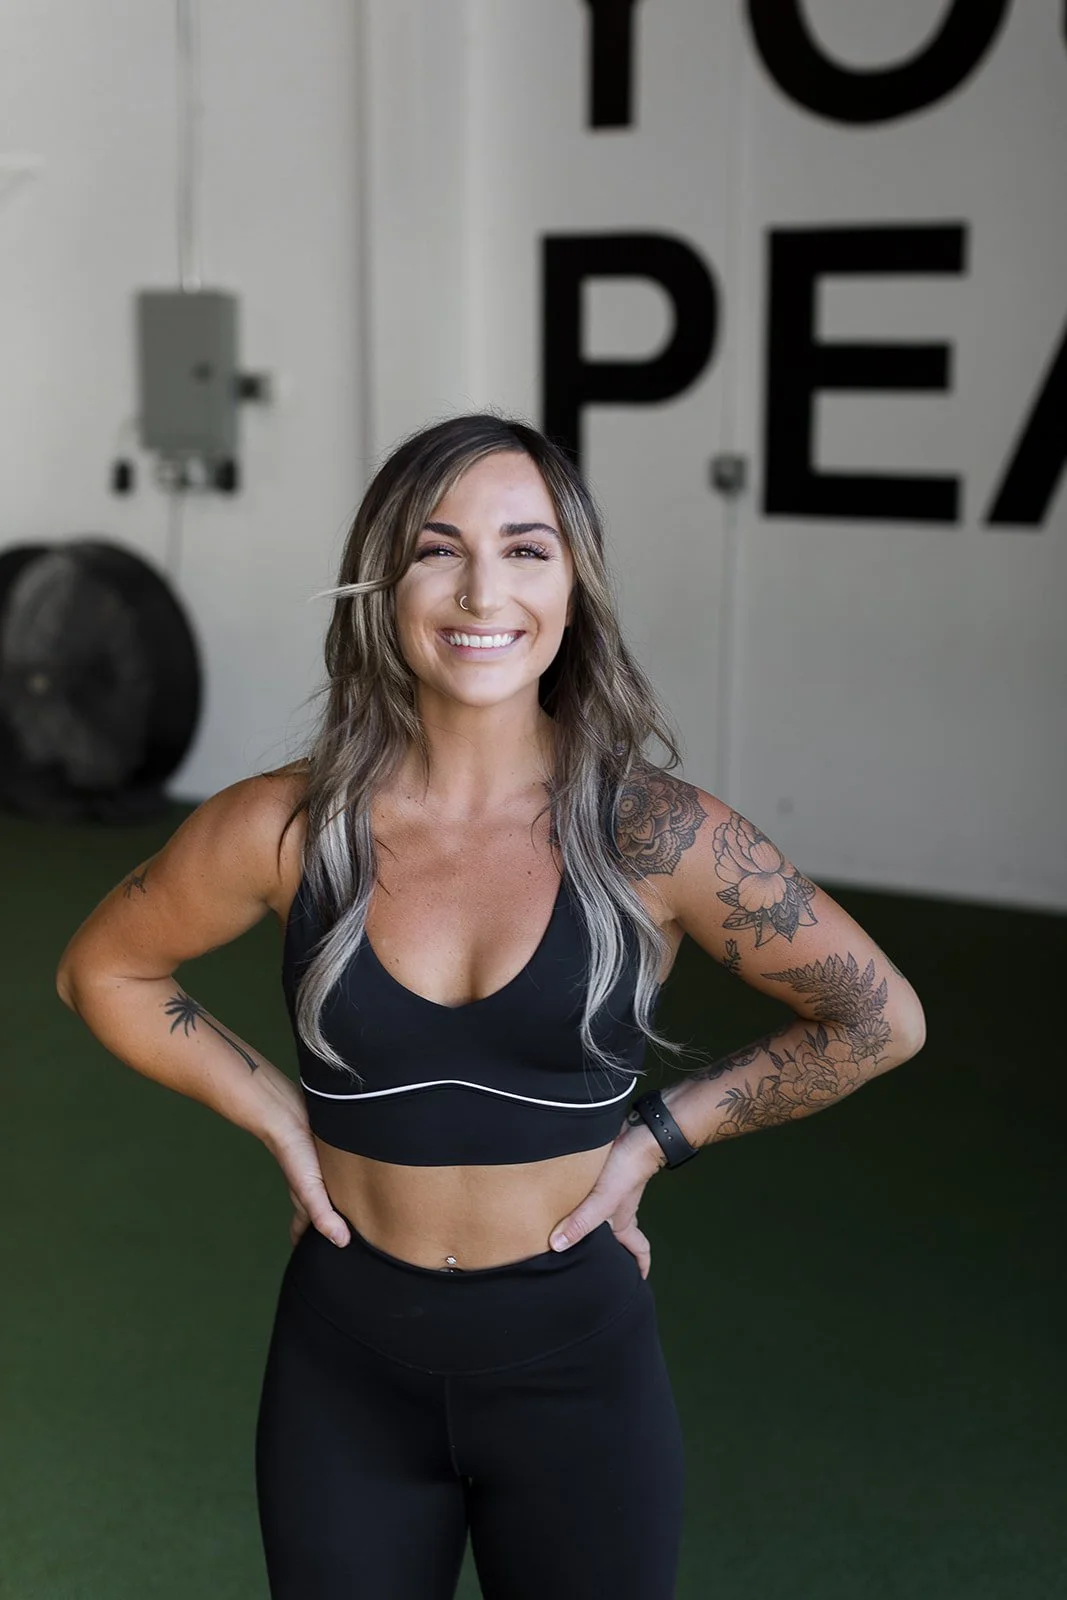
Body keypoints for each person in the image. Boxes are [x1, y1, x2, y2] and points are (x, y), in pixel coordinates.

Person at [56, 413, 926, 1599]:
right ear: (385, 581)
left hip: (578, 1372)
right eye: (435, 547)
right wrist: (277, 1117)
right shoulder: (284, 825)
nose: (481, 590)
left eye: (525, 549)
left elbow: (879, 1018)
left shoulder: (651, 832)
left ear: (573, 584)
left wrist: (657, 1140)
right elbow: (101, 968)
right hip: (343, 1368)